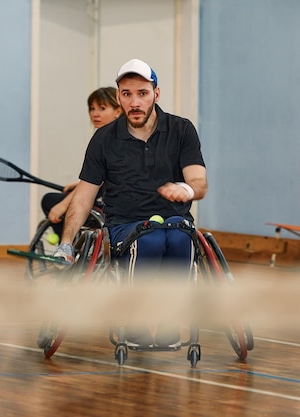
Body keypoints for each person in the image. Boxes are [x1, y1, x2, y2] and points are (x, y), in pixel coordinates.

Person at [54, 58, 208, 349]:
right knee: (148, 241)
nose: (134, 101)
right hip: (126, 224)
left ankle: (168, 321)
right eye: (127, 94)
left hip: (175, 221)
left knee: (179, 239)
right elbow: (85, 196)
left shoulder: (182, 130)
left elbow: (199, 182)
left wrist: (186, 189)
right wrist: (66, 242)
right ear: (118, 97)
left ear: (156, 94)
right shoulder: (103, 140)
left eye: (142, 93)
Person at [40, 87, 121, 237]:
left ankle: (68, 246)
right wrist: (78, 185)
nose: (95, 114)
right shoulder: (107, 136)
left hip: (109, 203)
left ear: (118, 111)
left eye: (102, 108)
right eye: (92, 108)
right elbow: (106, 176)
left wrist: (63, 206)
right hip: (105, 196)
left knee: (49, 200)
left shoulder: (110, 138)